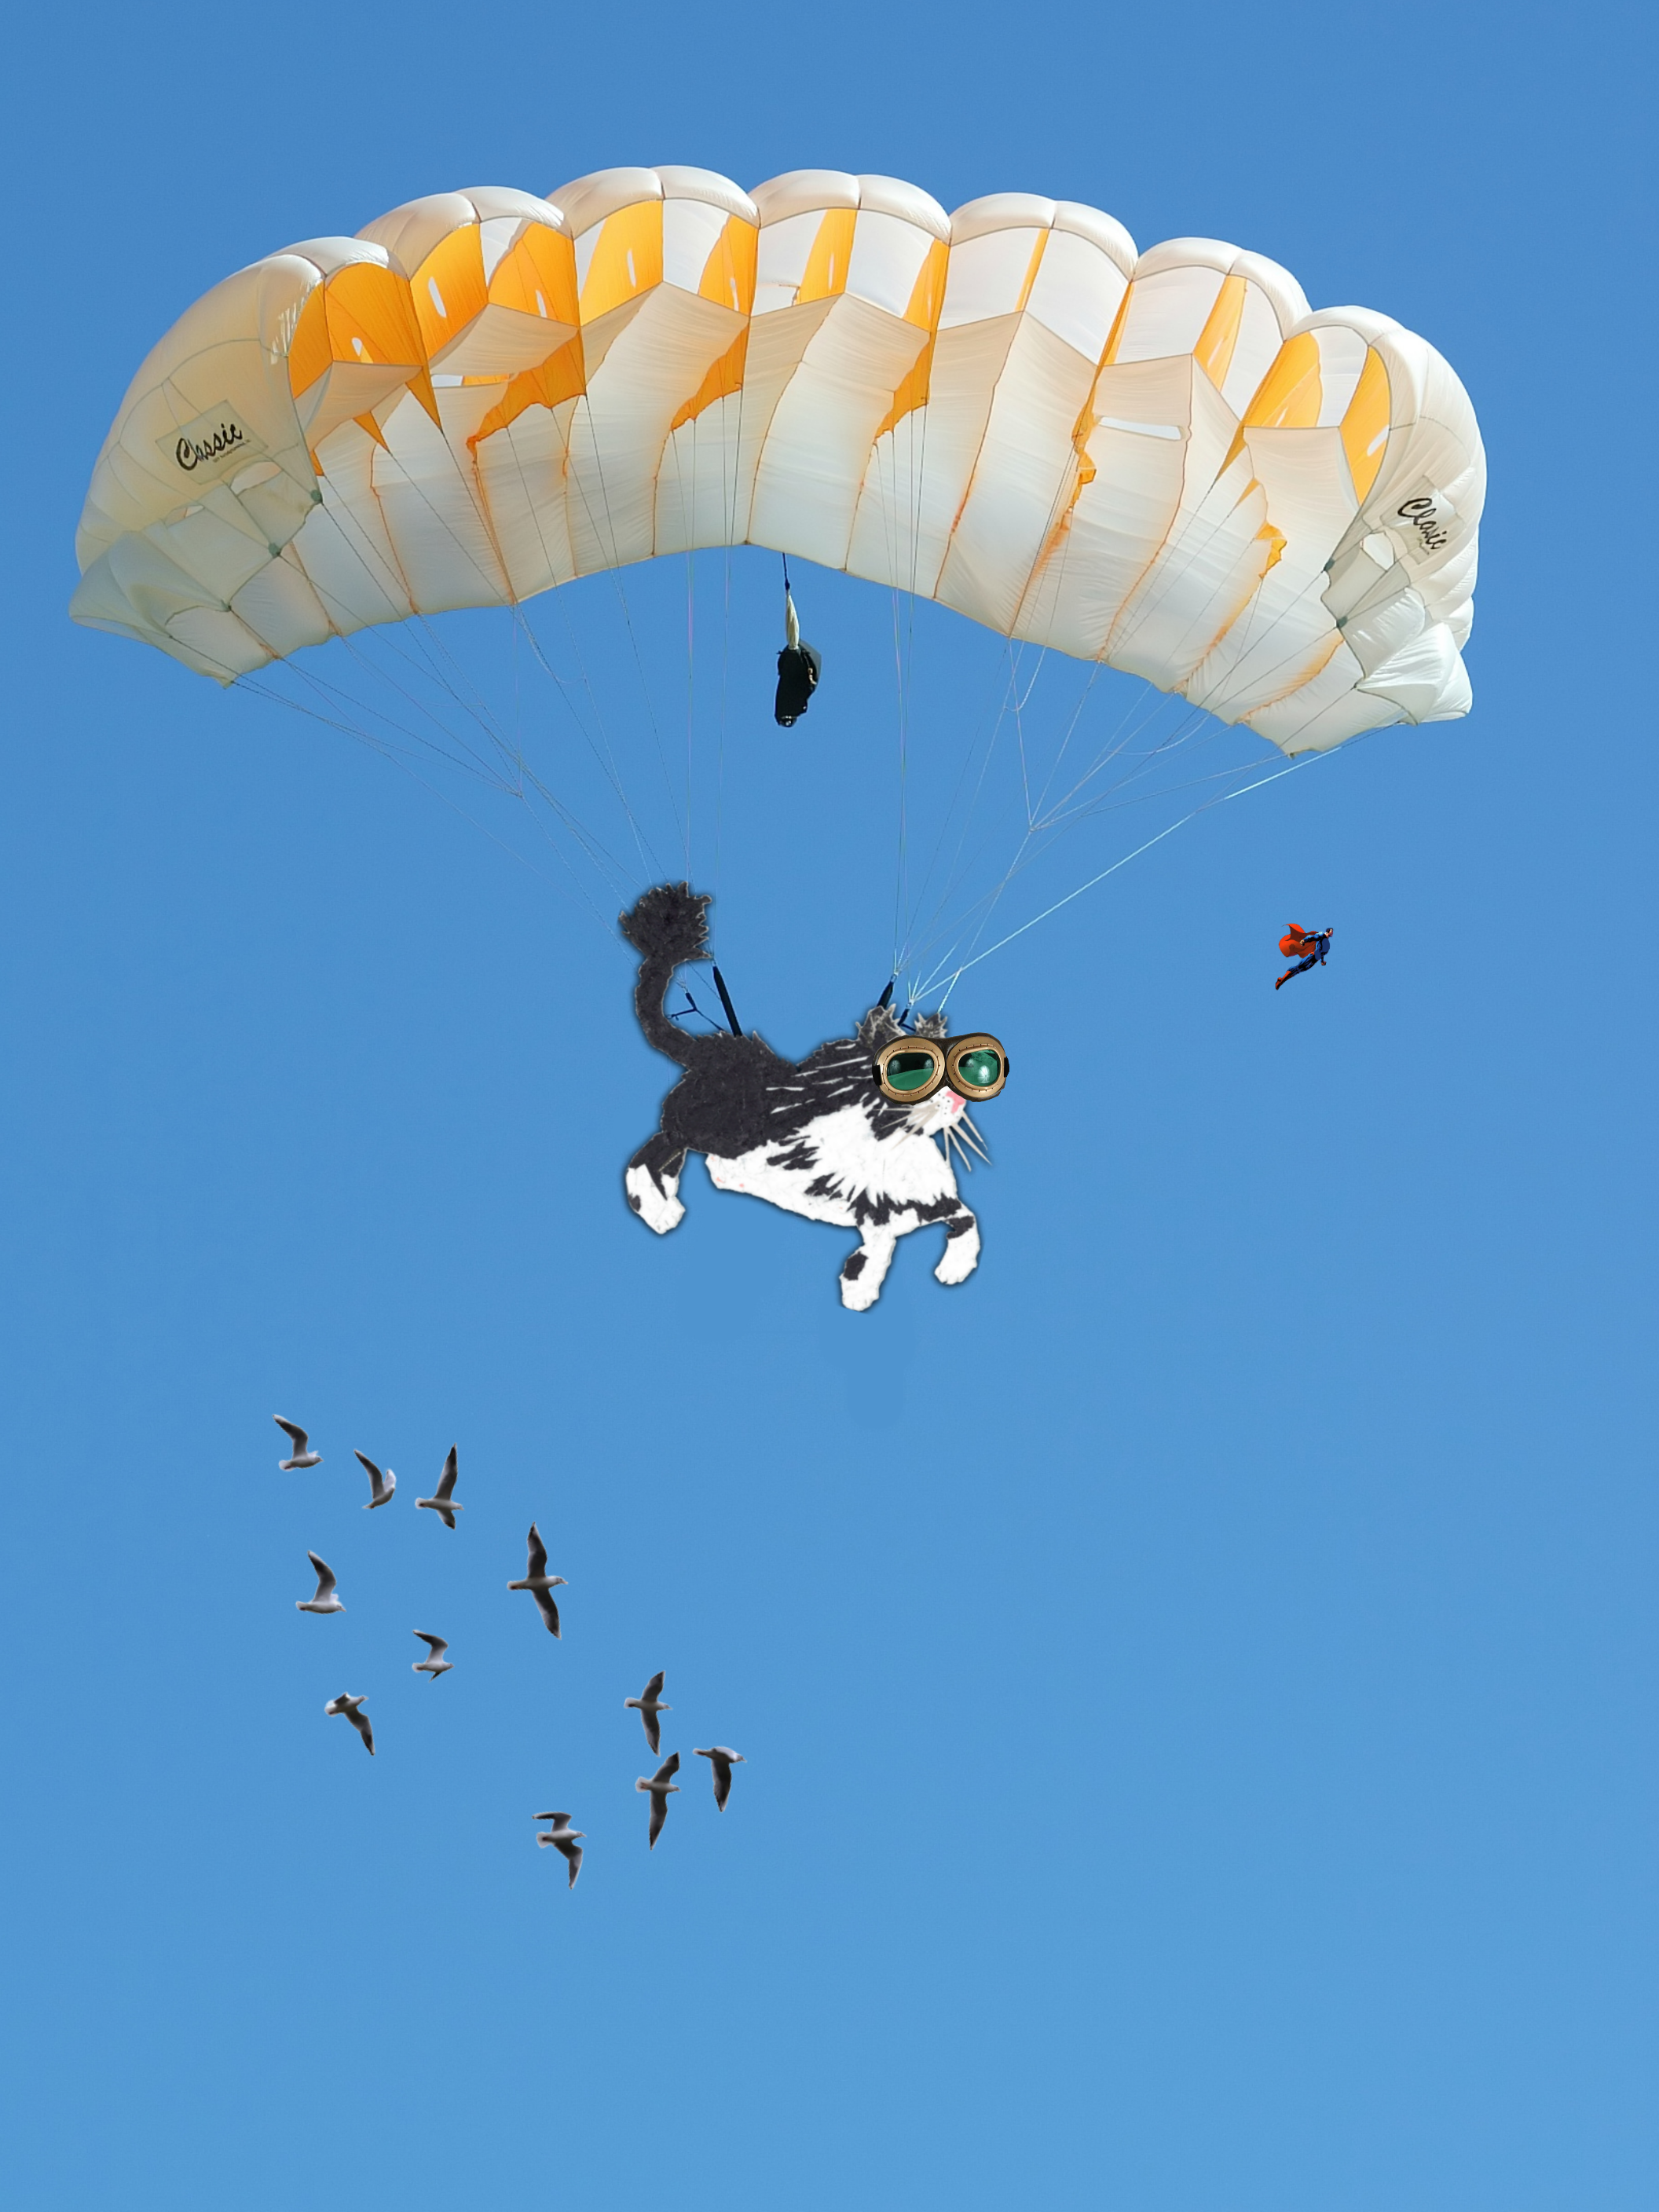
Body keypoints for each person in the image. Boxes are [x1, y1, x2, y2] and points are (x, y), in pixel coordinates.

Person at [1274, 923, 1333, 990]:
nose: (1332, 933)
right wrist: (1305, 940)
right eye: (1331, 931)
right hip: (1312, 956)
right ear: (1328, 931)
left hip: (1315, 960)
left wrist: (1322, 961)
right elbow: (1313, 937)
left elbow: (1322, 953)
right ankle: (1281, 981)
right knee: (1298, 967)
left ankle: (1282, 981)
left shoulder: (1327, 943)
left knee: (1300, 970)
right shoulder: (1322, 935)